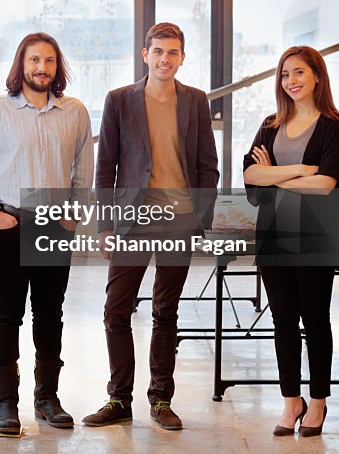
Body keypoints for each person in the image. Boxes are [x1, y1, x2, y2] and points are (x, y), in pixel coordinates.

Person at [85, 22, 219, 432]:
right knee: (116, 310)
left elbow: (208, 166)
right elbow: (105, 167)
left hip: (180, 221)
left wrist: (200, 219)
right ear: (145, 54)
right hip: (132, 221)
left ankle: (161, 399)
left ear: (182, 57)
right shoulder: (119, 101)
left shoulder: (195, 101)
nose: (165, 59)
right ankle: (118, 399)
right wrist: (104, 225)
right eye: (157, 51)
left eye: (173, 52)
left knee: (166, 311)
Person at [0, 32, 94, 437]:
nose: (41, 68)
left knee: (50, 315)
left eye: (49, 61)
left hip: (55, 224)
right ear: (21, 64)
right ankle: (6, 403)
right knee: (7, 315)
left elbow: (83, 170)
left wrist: (73, 215)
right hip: (11, 223)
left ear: (58, 68)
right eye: (34, 60)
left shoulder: (75, 112)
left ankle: (47, 399)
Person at [242, 45, 339, 438]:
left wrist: (277, 175)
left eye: (299, 73)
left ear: (317, 76)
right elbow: (251, 177)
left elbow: (327, 185)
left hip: (315, 238)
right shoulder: (270, 124)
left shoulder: (334, 126)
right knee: (283, 322)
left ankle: (318, 400)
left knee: (315, 320)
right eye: (285, 74)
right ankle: (292, 401)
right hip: (274, 236)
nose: (291, 81)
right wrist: (299, 170)